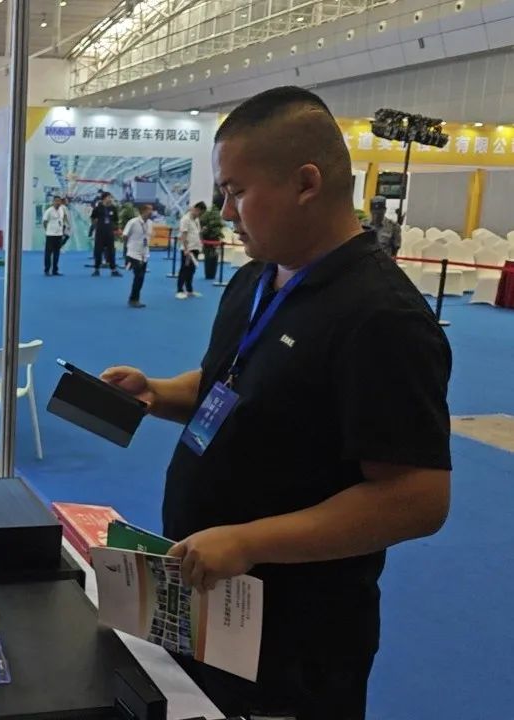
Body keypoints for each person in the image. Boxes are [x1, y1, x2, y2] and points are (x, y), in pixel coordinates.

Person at [102, 87, 451, 719]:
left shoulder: (382, 317)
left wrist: (250, 541)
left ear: (306, 183)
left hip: (297, 634)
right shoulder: (257, 277)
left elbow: (417, 497)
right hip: (210, 595)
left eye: (237, 191)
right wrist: (159, 392)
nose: (225, 212)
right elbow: (235, 382)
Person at [122, 204, 153, 308]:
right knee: (139, 276)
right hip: (134, 253)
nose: (151, 212)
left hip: (144, 254)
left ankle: (135, 298)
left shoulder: (150, 223)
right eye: (149, 210)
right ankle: (134, 299)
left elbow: (147, 237)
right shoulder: (133, 222)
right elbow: (125, 235)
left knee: (141, 278)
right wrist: (128, 248)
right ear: (143, 211)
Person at [176, 201, 205, 299]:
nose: (200, 215)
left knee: (192, 270)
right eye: (200, 212)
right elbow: (183, 235)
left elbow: (197, 233)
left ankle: (189, 290)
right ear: (196, 209)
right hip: (188, 249)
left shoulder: (196, 220)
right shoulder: (185, 219)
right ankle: (179, 290)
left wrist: (201, 245)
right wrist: (186, 249)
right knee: (184, 269)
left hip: (196, 248)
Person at [90, 192, 121, 277]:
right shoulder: (97, 208)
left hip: (110, 233)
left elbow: (116, 220)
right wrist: (96, 225)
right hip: (100, 233)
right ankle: (96, 269)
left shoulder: (113, 208)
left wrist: (117, 229)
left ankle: (113, 270)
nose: (110, 199)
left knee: (111, 251)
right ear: (104, 198)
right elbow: (92, 218)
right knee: (98, 251)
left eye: (111, 197)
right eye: (109, 197)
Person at [42, 195, 68, 276]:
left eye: (59, 201)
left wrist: (63, 229)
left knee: (57, 253)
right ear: (53, 202)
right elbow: (45, 221)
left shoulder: (61, 210)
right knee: (48, 253)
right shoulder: (49, 211)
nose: (58, 202)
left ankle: (55, 270)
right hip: (50, 235)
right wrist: (48, 230)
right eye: (56, 201)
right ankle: (47, 270)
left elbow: (63, 219)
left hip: (59, 235)